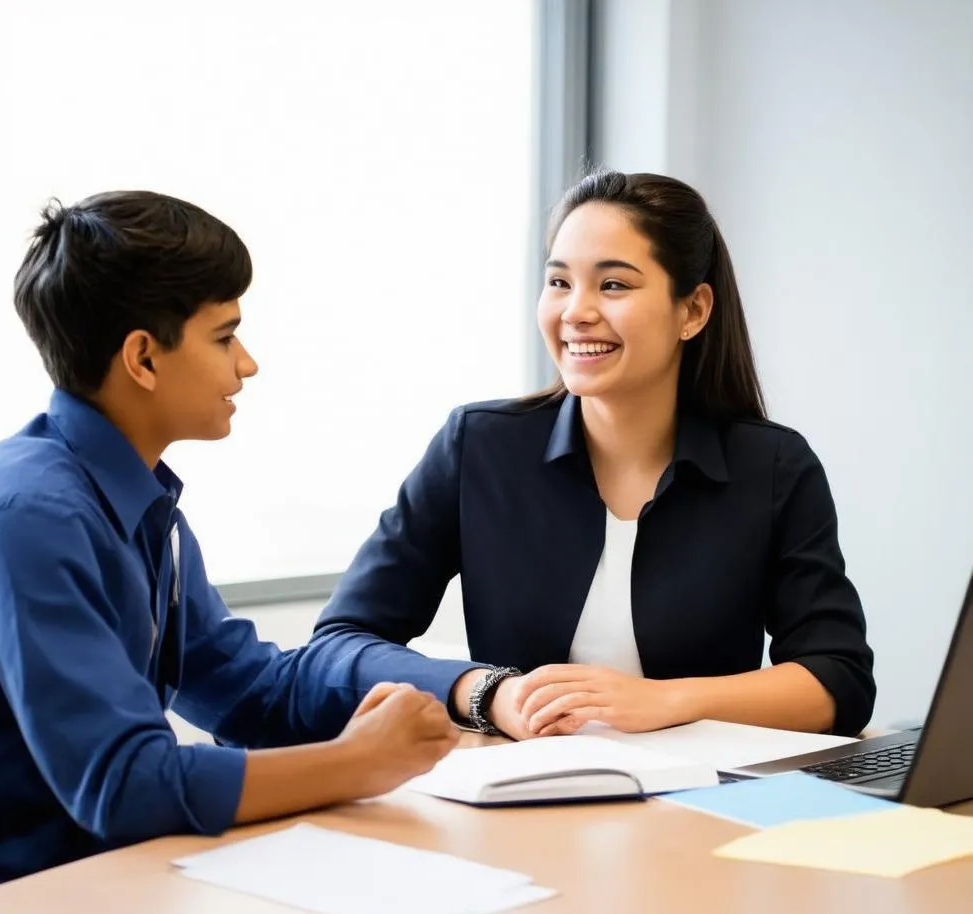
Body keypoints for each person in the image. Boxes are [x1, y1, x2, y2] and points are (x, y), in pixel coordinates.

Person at [0, 191, 457, 914]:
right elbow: (123, 785)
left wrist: (476, 691)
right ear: (143, 358)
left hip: (81, 905)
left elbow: (251, 689)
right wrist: (358, 762)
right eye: (225, 337)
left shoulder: (134, 504)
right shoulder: (31, 517)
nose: (246, 365)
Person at [307, 170, 875, 743]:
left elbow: (839, 679)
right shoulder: (478, 446)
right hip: (524, 799)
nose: (575, 312)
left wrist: (666, 700)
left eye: (613, 286)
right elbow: (339, 644)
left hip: (709, 800)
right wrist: (488, 692)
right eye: (559, 283)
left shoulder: (773, 467)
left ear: (693, 311)